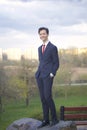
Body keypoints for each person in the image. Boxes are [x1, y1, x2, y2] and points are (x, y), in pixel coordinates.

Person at [35, 27, 59, 128]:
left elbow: (56, 63)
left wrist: (52, 73)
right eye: (40, 34)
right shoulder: (39, 48)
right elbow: (42, 62)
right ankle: (46, 120)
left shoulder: (53, 47)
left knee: (48, 97)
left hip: (48, 76)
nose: (42, 35)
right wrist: (37, 73)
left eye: (44, 33)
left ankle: (54, 119)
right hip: (40, 75)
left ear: (47, 34)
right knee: (42, 98)